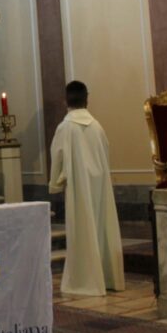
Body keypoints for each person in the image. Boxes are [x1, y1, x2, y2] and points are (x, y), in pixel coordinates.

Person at [48, 81, 125, 297]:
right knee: (101, 229)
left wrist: (55, 184)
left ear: (66, 100)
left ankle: (84, 282)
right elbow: (105, 152)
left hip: (78, 187)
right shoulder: (97, 126)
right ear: (86, 99)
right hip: (99, 186)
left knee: (82, 232)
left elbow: (58, 154)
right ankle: (108, 277)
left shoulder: (65, 127)